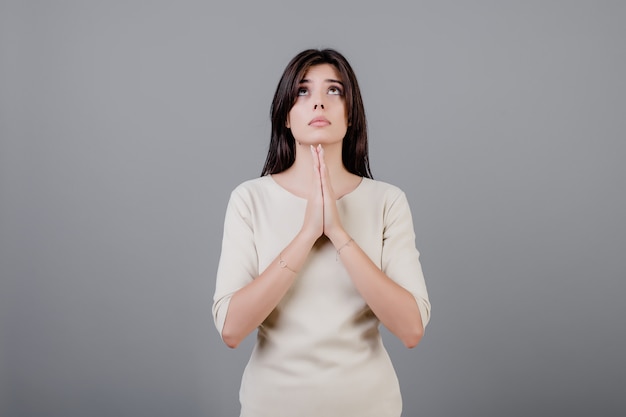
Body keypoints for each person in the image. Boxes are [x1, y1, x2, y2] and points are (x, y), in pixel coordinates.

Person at [212, 48, 431, 417]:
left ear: (351, 116)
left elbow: (411, 329)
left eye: (334, 91)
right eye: (302, 91)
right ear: (285, 115)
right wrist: (307, 234)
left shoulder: (387, 201)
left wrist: (339, 234)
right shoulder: (249, 199)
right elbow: (231, 329)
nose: (318, 103)